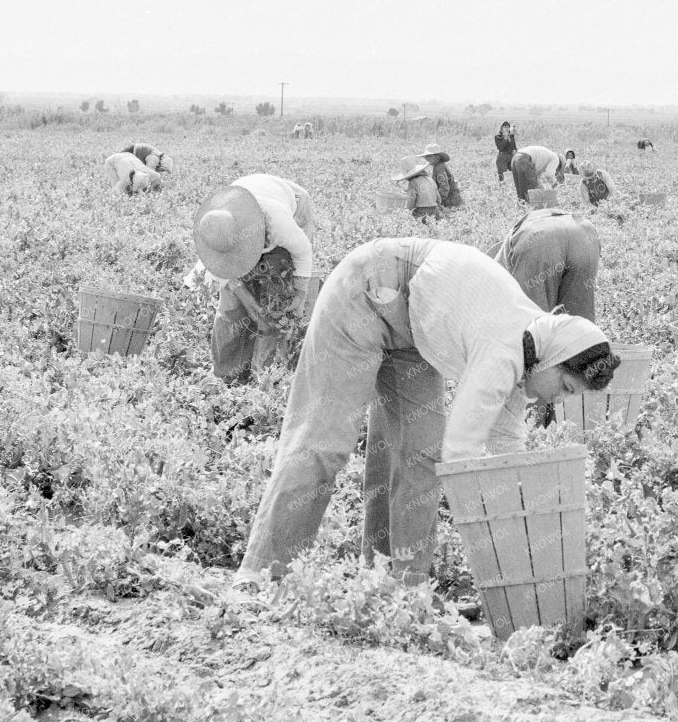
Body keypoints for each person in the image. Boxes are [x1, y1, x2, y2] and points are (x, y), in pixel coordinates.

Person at [234, 237, 618, 584]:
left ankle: (400, 582)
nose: (559, 400)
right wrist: (495, 542)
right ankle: (262, 572)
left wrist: (524, 508)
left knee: (421, 453)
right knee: (324, 442)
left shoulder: (533, 349)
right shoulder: (505, 350)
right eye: (566, 387)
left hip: (414, 330)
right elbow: (461, 455)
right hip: (368, 286)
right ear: (554, 358)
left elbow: (506, 441)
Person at [189, 174, 317, 385]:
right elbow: (232, 282)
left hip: (293, 204)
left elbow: (302, 252)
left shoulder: (280, 224)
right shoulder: (215, 232)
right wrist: (253, 308)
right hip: (246, 204)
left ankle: (266, 381)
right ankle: (227, 377)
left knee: (278, 304)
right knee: (231, 307)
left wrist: (299, 293)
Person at [493, 207, 600, 320]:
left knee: (531, 318)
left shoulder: (497, 268)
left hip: (539, 238)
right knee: (579, 318)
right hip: (584, 230)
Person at [418, 144, 463, 209]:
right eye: (426, 156)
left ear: (437, 157)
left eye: (429, 156)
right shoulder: (437, 166)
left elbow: (444, 188)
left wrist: (437, 203)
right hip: (450, 199)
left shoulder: (439, 168)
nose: (426, 158)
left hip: (451, 201)